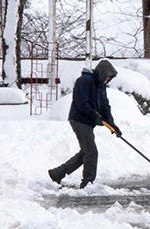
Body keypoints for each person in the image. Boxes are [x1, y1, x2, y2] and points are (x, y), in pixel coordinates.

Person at [49, 59, 121, 188]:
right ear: (102, 73)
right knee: (91, 151)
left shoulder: (101, 85)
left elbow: (105, 105)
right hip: (79, 120)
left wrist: (111, 122)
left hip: (88, 121)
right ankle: (88, 182)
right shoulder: (84, 81)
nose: (107, 80)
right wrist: (95, 116)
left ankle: (58, 173)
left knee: (86, 151)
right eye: (107, 77)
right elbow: (81, 103)